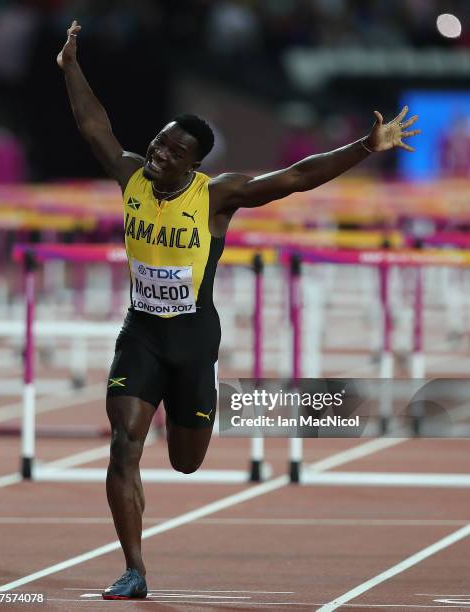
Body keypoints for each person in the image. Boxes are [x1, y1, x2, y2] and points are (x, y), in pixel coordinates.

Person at [57, 20, 420, 600]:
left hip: (194, 340)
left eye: (174, 151)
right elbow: (92, 123)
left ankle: (196, 411)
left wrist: (364, 146)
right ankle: (134, 569)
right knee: (125, 445)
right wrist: (70, 66)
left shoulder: (217, 196)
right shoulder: (131, 175)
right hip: (141, 333)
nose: (158, 152)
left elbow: (296, 178)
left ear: (193, 165)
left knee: (186, 461)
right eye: (159, 140)